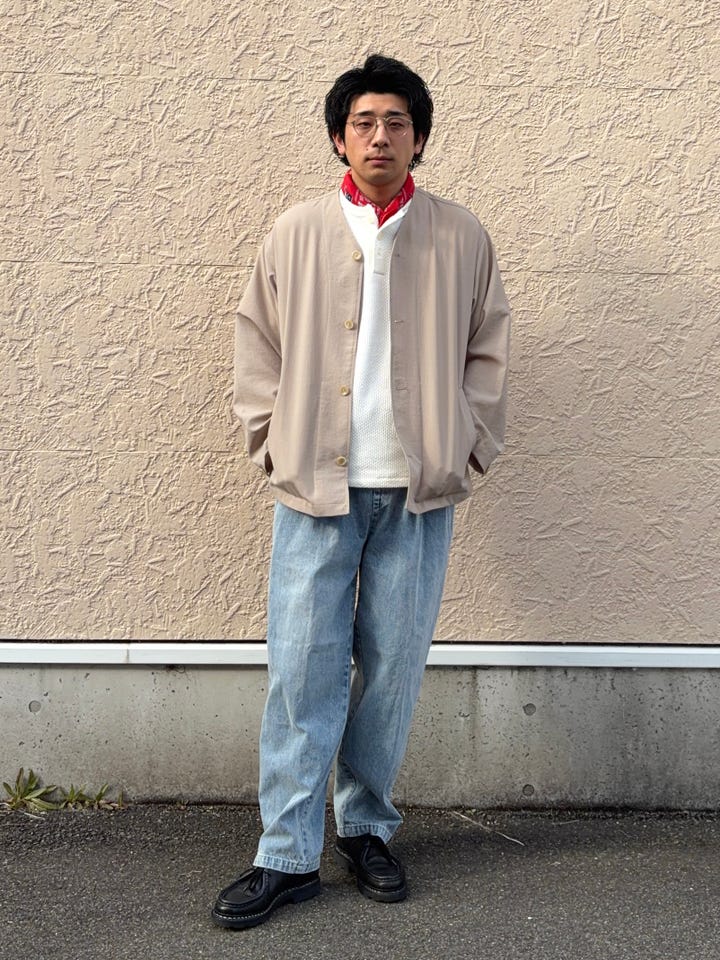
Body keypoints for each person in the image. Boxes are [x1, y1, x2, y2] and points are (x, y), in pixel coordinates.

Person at [213, 53, 510, 930]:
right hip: (316, 488)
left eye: (396, 122)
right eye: (363, 122)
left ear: (419, 138)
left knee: (391, 671)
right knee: (301, 670)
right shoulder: (297, 232)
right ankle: (286, 854)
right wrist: (271, 443)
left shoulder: (460, 236)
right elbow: (257, 344)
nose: (380, 136)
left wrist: (469, 449)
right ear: (340, 138)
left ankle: (367, 829)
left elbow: (488, 350)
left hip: (416, 492)